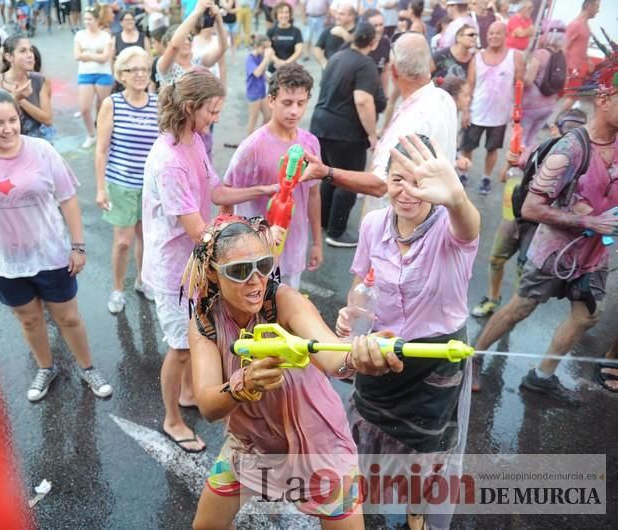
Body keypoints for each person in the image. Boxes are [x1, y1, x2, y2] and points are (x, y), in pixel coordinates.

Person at [338, 134, 480, 530]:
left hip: (434, 364)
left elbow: (469, 227)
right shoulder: (372, 225)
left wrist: (457, 199)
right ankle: (361, 505)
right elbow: (361, 285)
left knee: (422, 451)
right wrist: (351, 315)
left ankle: (416, 517)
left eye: (419, 181)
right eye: (398, 179)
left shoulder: (449, 230)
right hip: (381, 355)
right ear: (385, 181)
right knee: (366, 433)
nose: (407, 192)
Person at [185, 215, 365, 529]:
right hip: (251, 442)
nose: (256, 280)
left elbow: (335, 359)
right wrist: (243, 385)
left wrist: (362, 354)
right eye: (239, 271)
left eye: (263, 265)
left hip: (320, 444)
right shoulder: (206, 322)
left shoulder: (284, 301)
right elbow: (209, 406)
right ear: (213, 274)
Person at [0, 88, 114, 402]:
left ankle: (88, 367)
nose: (8, 128)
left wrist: (78, 246)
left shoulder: (41, 150)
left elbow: (67, 199)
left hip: (52, 254)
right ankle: (45, 367)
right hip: (3, 263)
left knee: (68, 317)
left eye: (12, 119)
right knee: (28, 318)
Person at [473, 70, 618, 406]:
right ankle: (474, 358)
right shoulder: (570, 150)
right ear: (604, 100)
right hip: (555, 252)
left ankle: (542, 376)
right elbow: (532, 207)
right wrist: (587, 220)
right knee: (520, 307)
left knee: (587, 315)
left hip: (594, 254)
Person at [141, 69, 225, 453]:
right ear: (191, 107)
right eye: (212, 110)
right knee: (180, 348)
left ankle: (190, 394)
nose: (216, 118)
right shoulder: (170, 159)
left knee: (194, 340)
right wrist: (249, 245)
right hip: (173, 269)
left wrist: (267, 188)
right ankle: (171, 419)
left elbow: (216, 189)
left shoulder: (193, 139)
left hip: (192, 263)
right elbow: (197, 230)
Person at [469, 109, 587, 366]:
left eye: (578, 130)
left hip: (541, 230)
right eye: (567, 127)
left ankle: (508, 313)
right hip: (511, 218)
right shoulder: (538, 150)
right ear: (555, 129)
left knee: (524, 273)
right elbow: (504, 177)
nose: (571, 134)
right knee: (495, 260)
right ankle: (492, 299)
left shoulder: (582, 163)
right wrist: (511, 162)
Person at [213, 64, 323, 289]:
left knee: (286, 312)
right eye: (287, 103)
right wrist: (226, 249)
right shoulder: (252, 147)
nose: (294, 111)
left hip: (294, 250)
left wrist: (317, 243)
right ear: (271, 101)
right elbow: (225, 198)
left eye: (301, 103)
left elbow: (313, 194)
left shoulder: (310, 143)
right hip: (255, 254)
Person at [362, 33, 458, 214]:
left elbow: (379, 184)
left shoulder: (412, 122)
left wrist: (327, 173)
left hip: (398, 223)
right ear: (428, 65)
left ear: (394, 71)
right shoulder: (442, 97)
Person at [94, 47, 159, 314]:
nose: (141, 74)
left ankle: (143, 280)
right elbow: (101, 148)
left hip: (150, 186)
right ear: (121, 74)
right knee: (122, 242)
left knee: (147, 237)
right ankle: (118, 288)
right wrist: (100, 188)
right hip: (120, 183)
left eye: (145, 68)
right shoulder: (113, 104)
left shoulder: (157, 103)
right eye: (134, 69)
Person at [310, 21, 381, 248]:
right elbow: (363, 99)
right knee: (348, 181)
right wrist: (372, 133)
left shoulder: (338, 56)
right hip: (346, 132)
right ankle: (336, 231)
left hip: (322, 125)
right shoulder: (365, 64)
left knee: (329, 175)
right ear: (373, 42)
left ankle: (323, 221)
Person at [461, 21, 524, 196]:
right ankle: (464, 173)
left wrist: (516, 110)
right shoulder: (478, 57)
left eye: (498, 33)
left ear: (505, 35)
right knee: (468, 147)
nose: (493, 37)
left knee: (492, 149)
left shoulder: (515, 57)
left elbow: (520, 85)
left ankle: (486, 177)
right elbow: (469, 85)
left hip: (500, 116)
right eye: (490, 33)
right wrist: (466, 110)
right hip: (477, 112)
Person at [0, 36, 54, 140]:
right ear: (9, 57)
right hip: (8, 142)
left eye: (30, 50)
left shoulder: (39, 80)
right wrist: (15, 98)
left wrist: (22, 101)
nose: (30, 55)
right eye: (23, 51)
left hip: (36, 142)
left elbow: (48, 119)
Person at [156, 0, 227, 87]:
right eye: (183, 39)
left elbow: (222, 48)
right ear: (168, 43)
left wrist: (218, 20)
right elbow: (174, 46)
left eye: (189, 38)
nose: (186, 42)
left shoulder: (197, 61)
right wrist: (197, 11)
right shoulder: (165, 65)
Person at [519, 20, 566, 146]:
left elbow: (528, 81)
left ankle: (516, 164)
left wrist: (519, 75)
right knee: (532, 138)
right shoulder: (561, 56)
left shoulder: (540, 54)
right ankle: (528, 162)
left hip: (531, 107)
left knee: (521, 140)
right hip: (549, 106)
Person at [74, 6, 113, 149]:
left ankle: (102, 132)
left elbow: (105, 57)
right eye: (85, 19)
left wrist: (87, 55)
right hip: (85, 73)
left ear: (97, 20)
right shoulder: (80, 35)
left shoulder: (105, 36)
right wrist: (96, 54)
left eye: (90, 19)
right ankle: (90, 134)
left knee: (102, 106)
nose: (87, 22)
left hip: (103, 73)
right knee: (84, 108)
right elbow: (77, 55)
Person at [561, 0, 600, 112]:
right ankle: (554, 121)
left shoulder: (585, 25)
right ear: (589, 6)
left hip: (576, 68)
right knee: (571, 96)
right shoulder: (576, 24)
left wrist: (588, 60)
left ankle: (550, 120)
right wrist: (563, 69)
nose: (598, 11)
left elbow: (580, 47)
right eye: (596, 7)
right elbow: (564, 47)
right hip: (571, 68)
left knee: (569, 95)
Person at [244, 35, 275, 137]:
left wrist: (269, 79)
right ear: (258, 46)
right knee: (253, 119)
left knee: (268, 115)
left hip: (262, 91)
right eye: (265, 48)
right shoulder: (250, 59)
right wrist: (266, 59)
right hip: (253, 93)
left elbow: (262, 73)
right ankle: (247, 144)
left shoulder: (260, 57)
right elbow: (257, 72)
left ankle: (260, 137)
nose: (267, 51)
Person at [313, 1, 356, 68]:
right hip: (330, 72)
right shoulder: (329, 30)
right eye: (337, 13)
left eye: (341, 14)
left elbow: (357, 46)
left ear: (351, 16)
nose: (337, 17)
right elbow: (317, 48)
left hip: (349, 72)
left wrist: (344, 34)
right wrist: (324, 63)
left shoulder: (358, 30)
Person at [266, 2, 303, 72]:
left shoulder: (296, 31)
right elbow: (268, 49)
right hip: (274, 68)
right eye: (281, 13)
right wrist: (277, 61)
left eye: (286, 12)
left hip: (291, 69)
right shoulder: (271, 31)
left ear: (290, 14)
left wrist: (286, 63)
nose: (284, 15)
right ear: (276, 15)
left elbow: (299, 51)